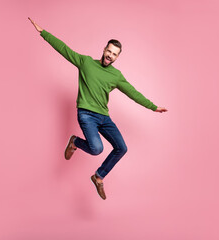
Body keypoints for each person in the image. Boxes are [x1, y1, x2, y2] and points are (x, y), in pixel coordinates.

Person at [28, 17, 167, 200]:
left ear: (117, 57)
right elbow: (64, 49)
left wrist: (152, 107)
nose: (110, 55)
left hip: (104, 117)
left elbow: (133, 93)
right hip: (86, 115)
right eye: (109, 51)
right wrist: (43, 33)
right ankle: (74, 142)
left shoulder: (116, 76)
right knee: (96, 149)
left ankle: (98, 177)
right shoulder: (86, 63)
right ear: (104, 49)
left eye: (114, 54)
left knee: (121, 148)